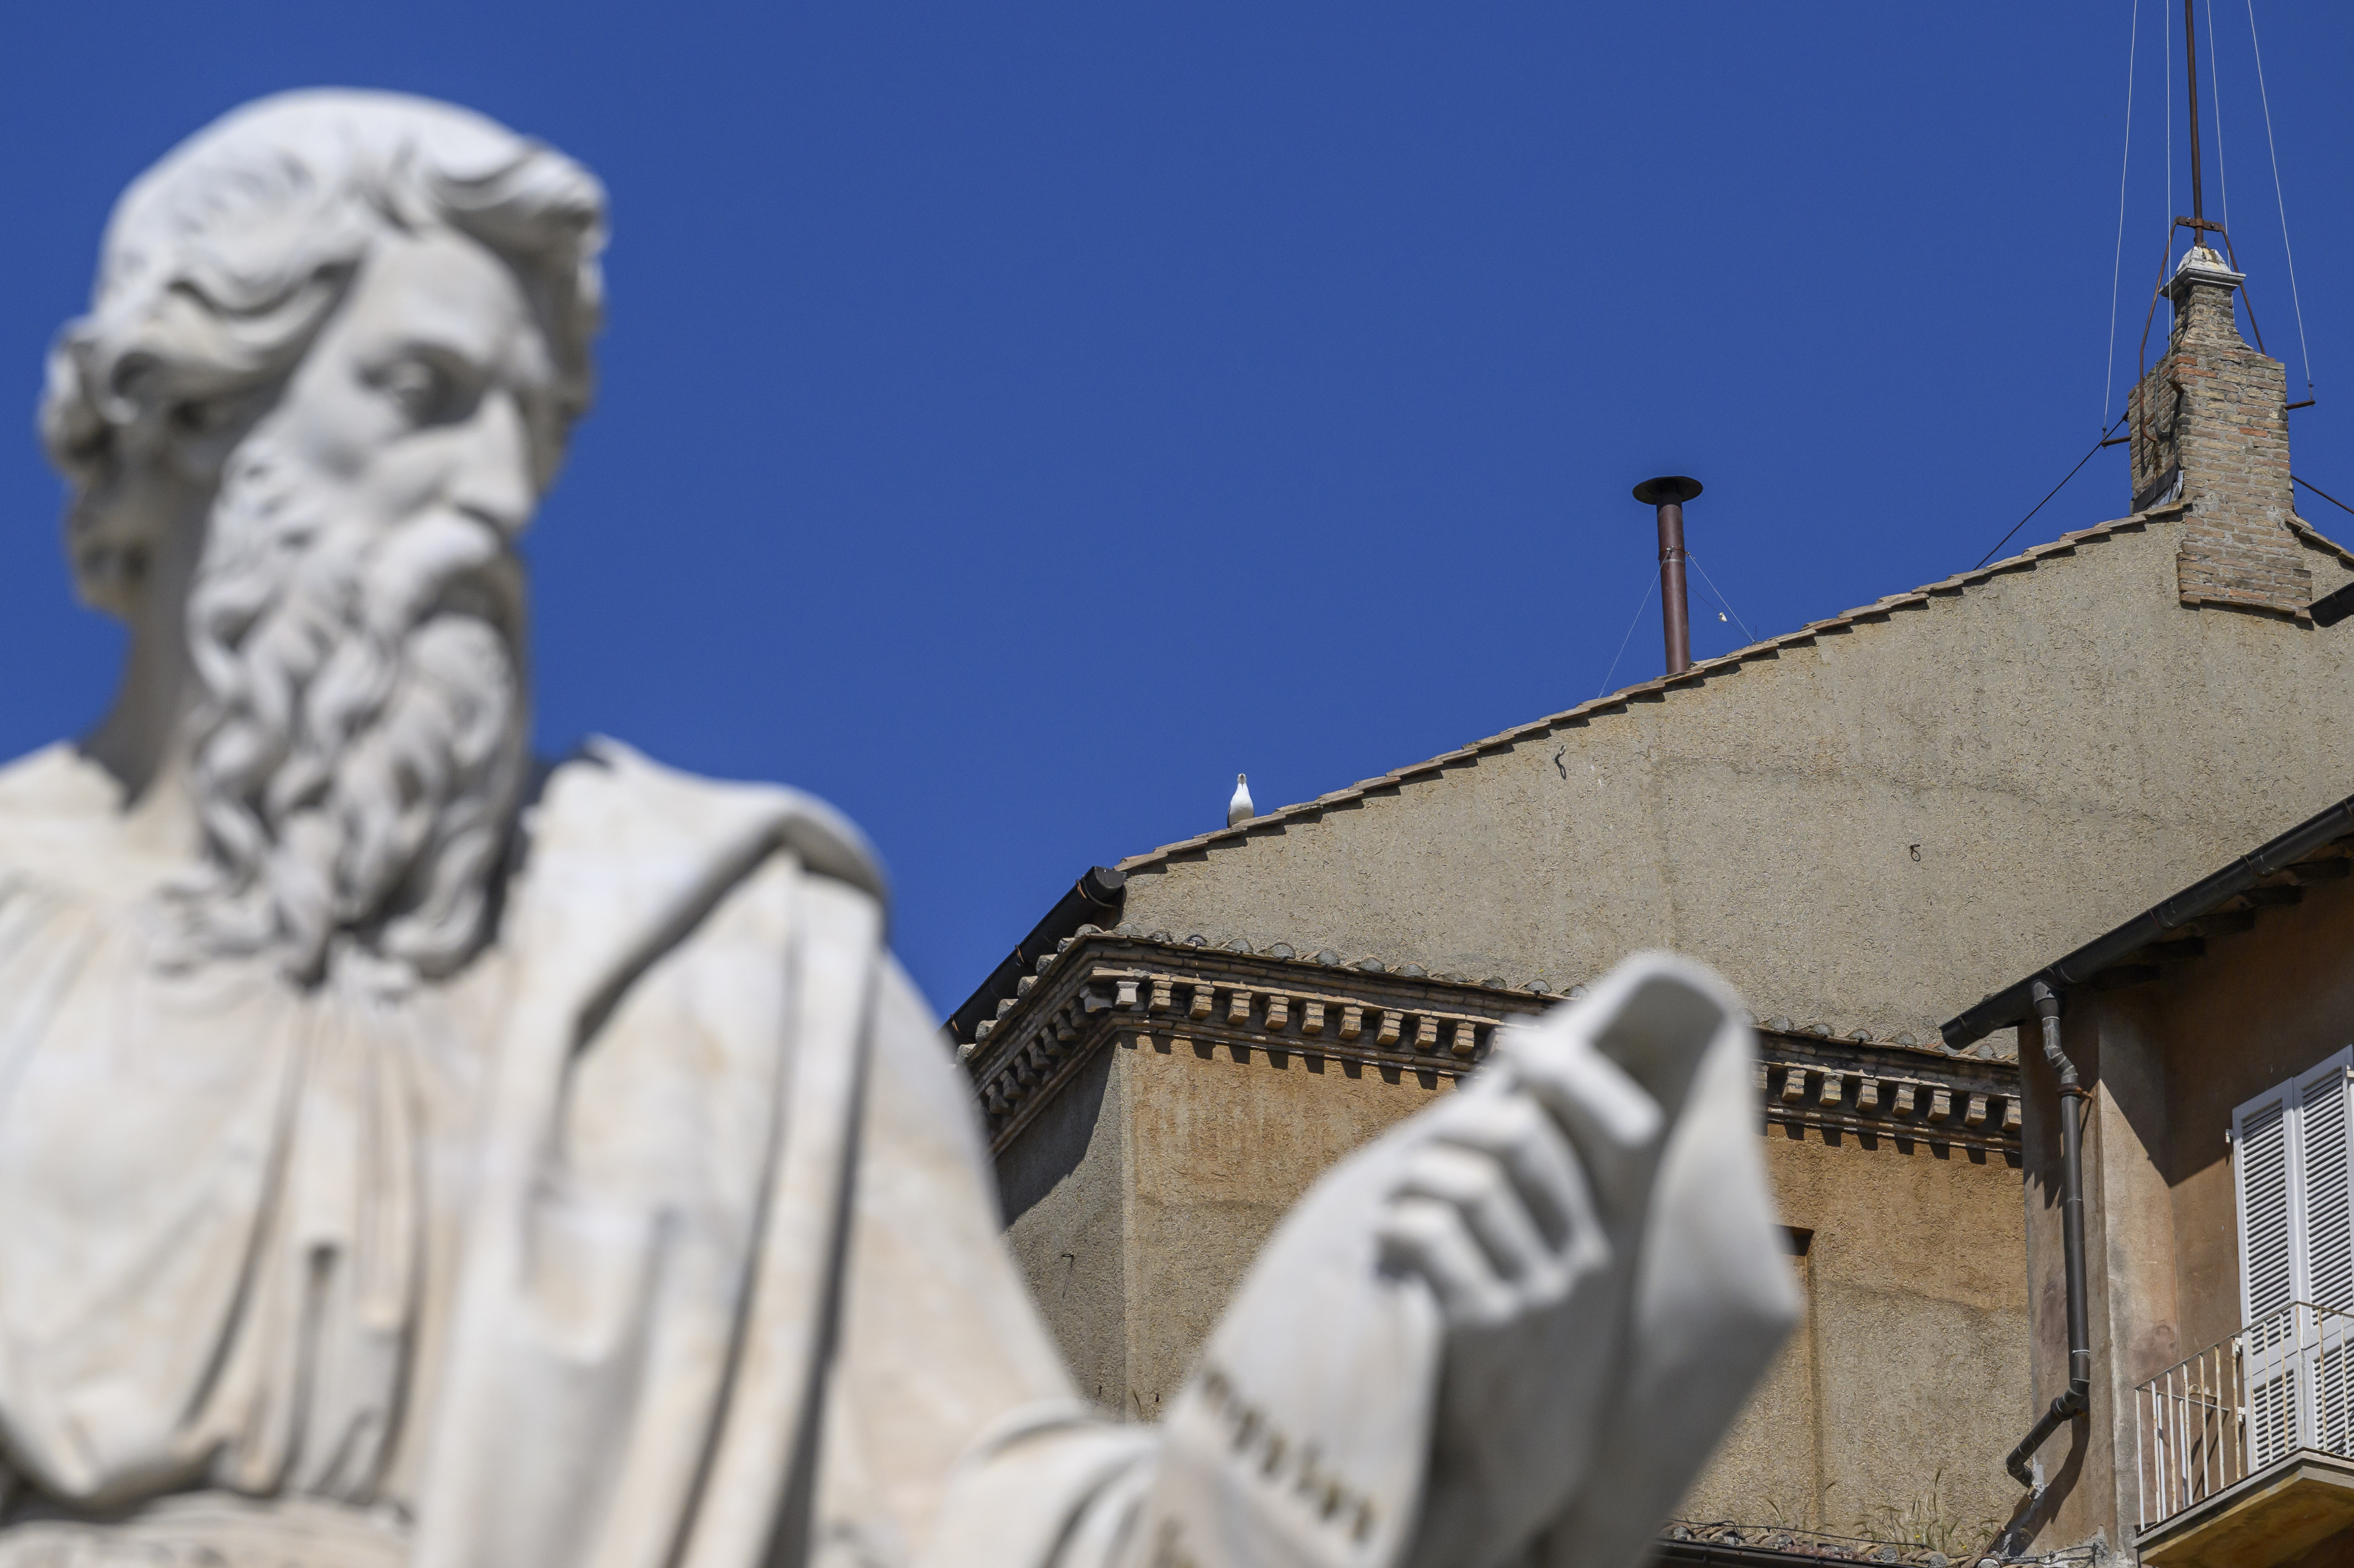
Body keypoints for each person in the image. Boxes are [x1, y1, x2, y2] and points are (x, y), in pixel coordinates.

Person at [0, 92, 1796, 1568]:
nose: (491, 496)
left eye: (526, 428)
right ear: (171, 433)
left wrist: (1336, 1410)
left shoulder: (734, 988)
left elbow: (1001, 1532)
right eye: (416, 403)